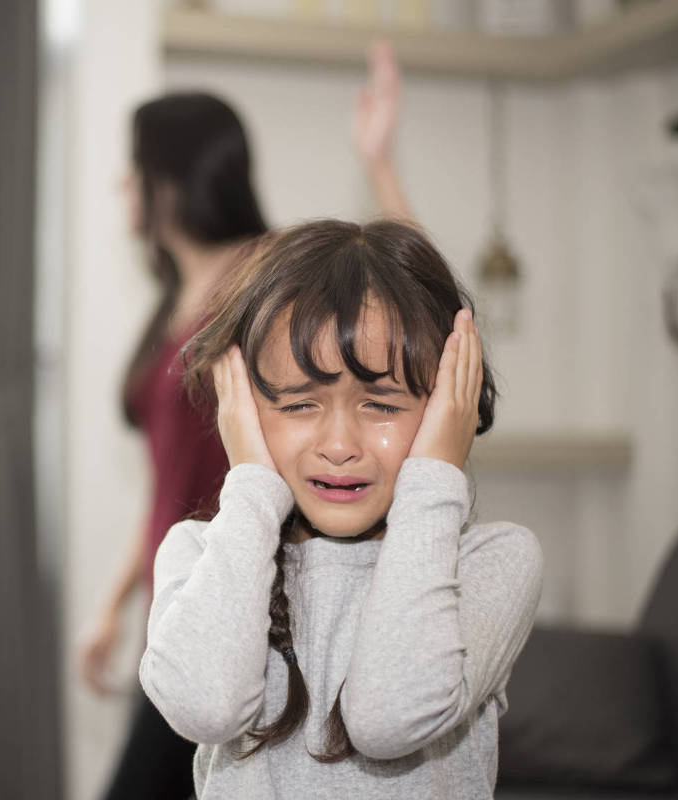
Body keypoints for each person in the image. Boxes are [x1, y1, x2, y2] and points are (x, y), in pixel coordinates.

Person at [79, 42, 414, 799]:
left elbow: (411, 310)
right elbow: (168, 485)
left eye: (134, 164)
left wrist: (380, 162)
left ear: (173, 176)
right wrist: (112, 606)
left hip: (251, 611)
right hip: (181, 606)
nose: (121, 182)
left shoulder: (266, 275)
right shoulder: (171, 298)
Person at [140, 218, 543, 798]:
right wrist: (251, 485)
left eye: (381, 405)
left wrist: (435, 477)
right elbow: (206, 707)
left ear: (444, 412)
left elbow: (390, 717)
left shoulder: (491, 560)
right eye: (300, 403)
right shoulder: (200, 555)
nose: (339, 445)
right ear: (245, 410)